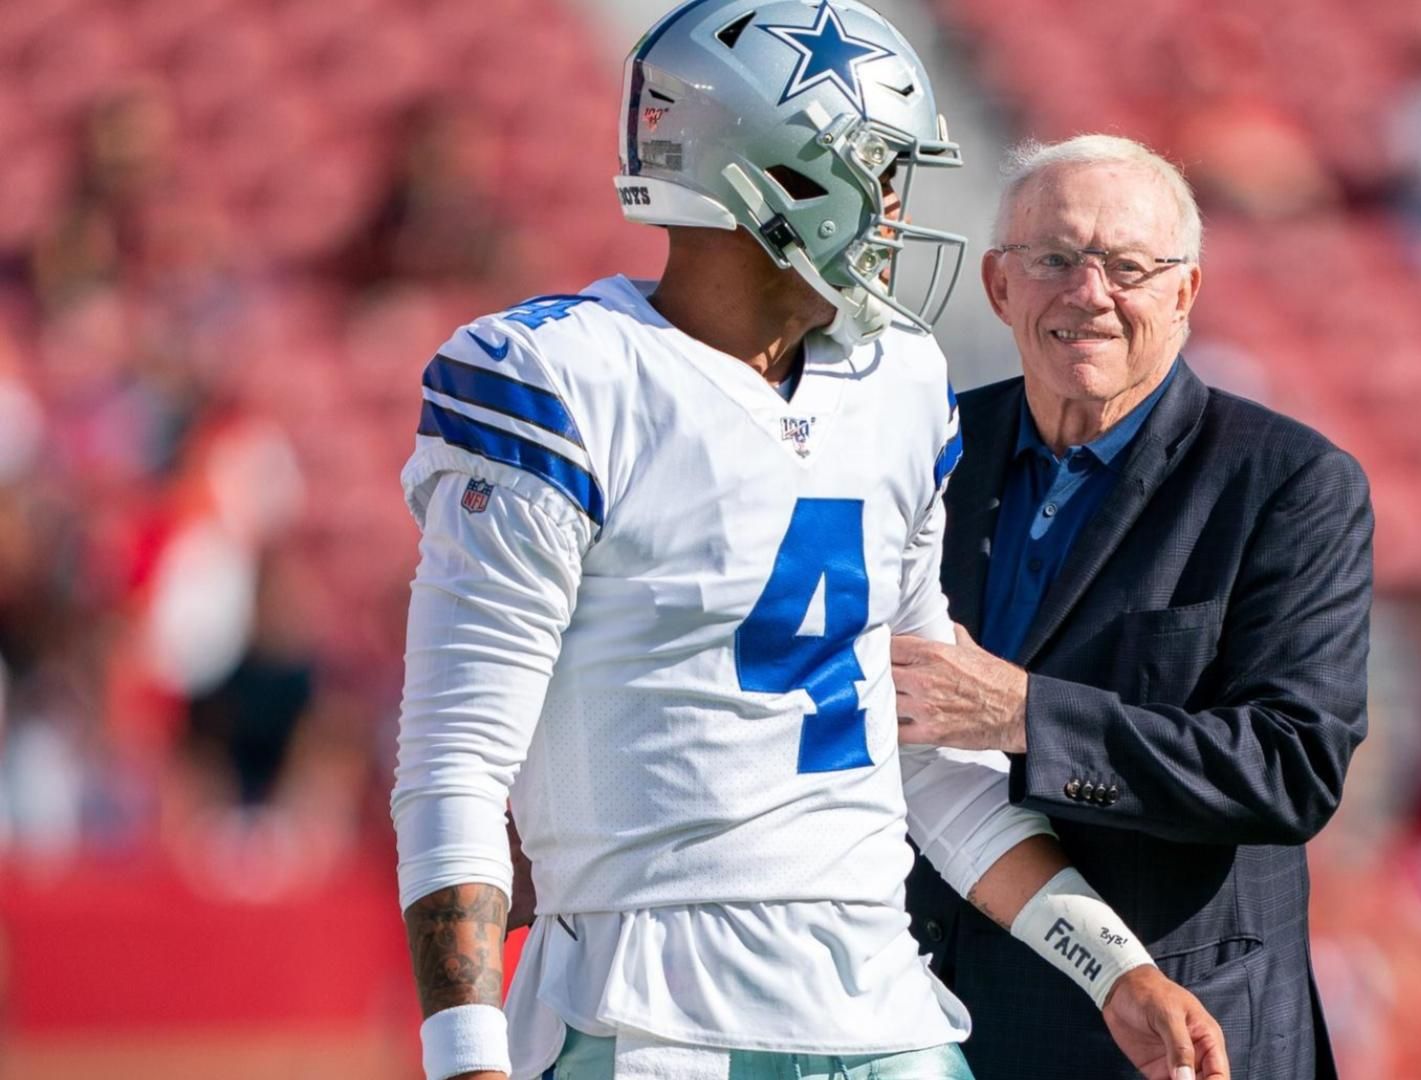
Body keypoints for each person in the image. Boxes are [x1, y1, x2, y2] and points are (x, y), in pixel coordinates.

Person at [389, 5, 1229, 1080]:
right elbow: (455, 761)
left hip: (883, 1005)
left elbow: (920, 743)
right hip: (649, 1014)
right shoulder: (561, 380)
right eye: (878, 170)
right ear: (774, 176)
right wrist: (464, 1056)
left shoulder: (898, 383)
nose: (893, 210)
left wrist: (1118, 968)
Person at [894, 134, 1374, 1079]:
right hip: (923, 1018)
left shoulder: (1290, 483)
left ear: (1185, 293)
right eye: (1055, 260)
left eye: (1129, 267)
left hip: (1173, 1037)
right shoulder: (922, 449)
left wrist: (1025, 716)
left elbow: (1290, 769)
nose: (1090, 293)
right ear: (999, 285)